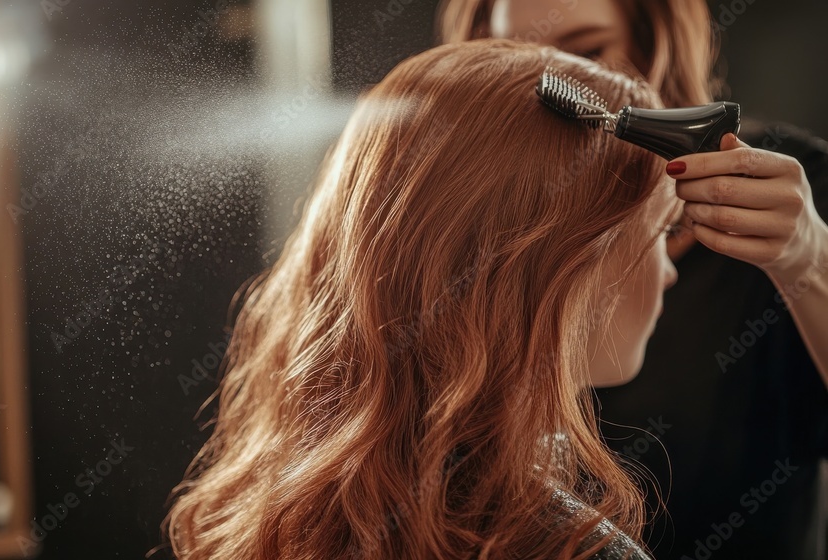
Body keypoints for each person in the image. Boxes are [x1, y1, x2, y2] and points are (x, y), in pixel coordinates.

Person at [160, 39, 684, 559]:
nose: (668, 274)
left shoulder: (292, 514)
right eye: (661, 229)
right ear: (557, 262)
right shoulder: (571, 549)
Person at [435, 1, 828, 558]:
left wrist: (811, 259)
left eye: (588, 51)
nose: (555, 82)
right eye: (522, 59)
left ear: (657, 45)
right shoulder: (496, 231)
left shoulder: (797, 191)